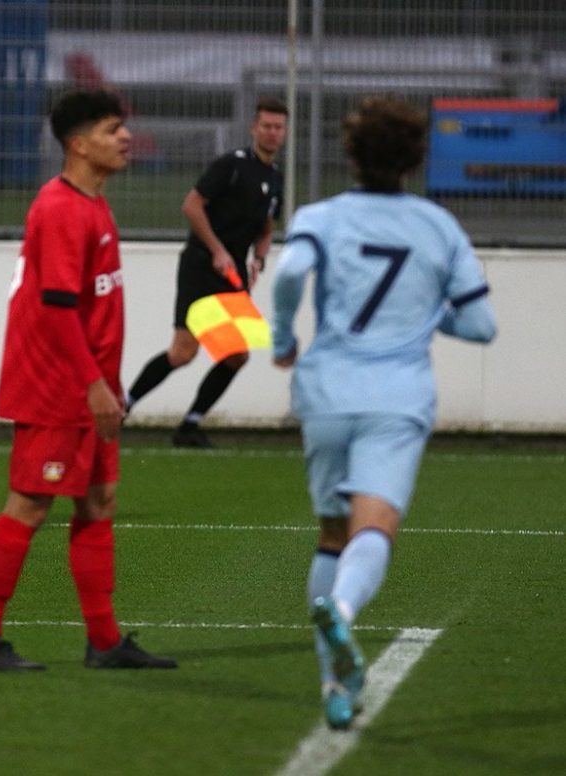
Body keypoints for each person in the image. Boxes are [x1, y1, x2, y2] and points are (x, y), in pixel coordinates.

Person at [270, 96, 497, 729]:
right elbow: (481, 325)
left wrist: (284, 335)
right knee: (375, 529)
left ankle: (333, 686)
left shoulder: (323, 215)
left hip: (326, 389)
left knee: (331, 532)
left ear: (350, 155)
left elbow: (290, 269)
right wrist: (430, 313)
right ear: (416, 160)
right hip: (396, 394)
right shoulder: (438, 226)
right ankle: (342, 609)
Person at [0, 89, 176, 672]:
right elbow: (56, 309)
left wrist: (107, 382)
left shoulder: (93, 202)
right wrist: (93, 384)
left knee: (99, 500)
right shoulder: (59, 208)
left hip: (89, 388)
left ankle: (104, 642)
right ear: (79, 144)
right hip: (58, 389)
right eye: (112, 129)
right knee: (29, 505)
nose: (125, 137)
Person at [125, 98, 288, 448]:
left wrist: (258, 258)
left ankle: (190, 425)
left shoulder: (275, 177)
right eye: (267, 126)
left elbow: (266, 225)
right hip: (202, 265)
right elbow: (192, 205)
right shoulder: (231, 165)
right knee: (183, 352)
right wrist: (217, 250)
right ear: (253, 128)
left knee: (237, 355)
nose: (272, 133)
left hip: (232, 276)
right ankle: (124, 406)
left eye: (279, 127)